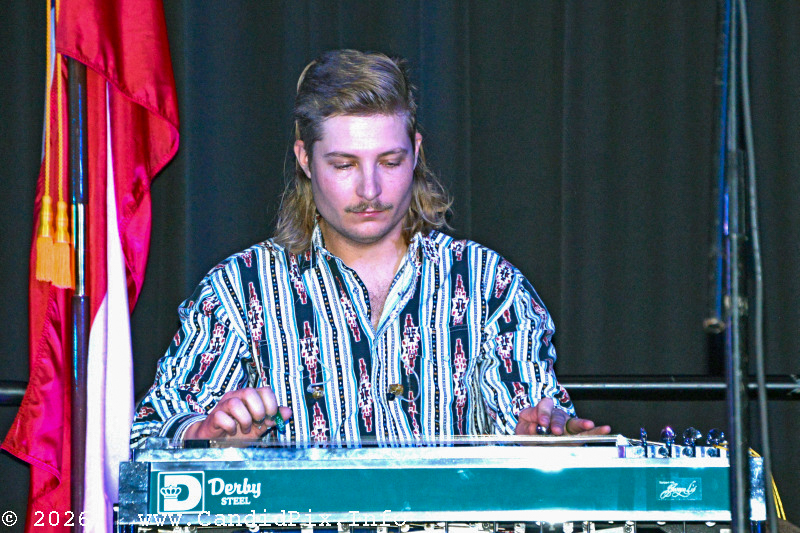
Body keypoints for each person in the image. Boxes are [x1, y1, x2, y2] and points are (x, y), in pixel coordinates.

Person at [130, 49, 610, 448]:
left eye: (390, 161)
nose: (370, 189)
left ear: (415, 153)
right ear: (305, 159)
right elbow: (147, 436)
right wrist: (205, 435)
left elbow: (533, 417)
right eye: (344, 165)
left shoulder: (487, 283)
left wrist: (538, 436)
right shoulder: (239, 290)